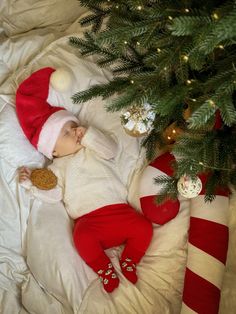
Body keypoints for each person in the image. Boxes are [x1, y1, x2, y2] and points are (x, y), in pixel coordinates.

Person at [17, 67, 153, 293]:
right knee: (81, 238)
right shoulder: (56, 169)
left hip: (120, 211)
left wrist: (89, 134)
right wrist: (32, 184)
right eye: (66, 134)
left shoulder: (91, 149)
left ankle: (130, 259)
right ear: (54, 151)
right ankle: (103, 268)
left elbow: (111, 150)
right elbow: (54, 194)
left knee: (144, 228)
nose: (74, 133)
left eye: (73, 127)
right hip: (90, 221)